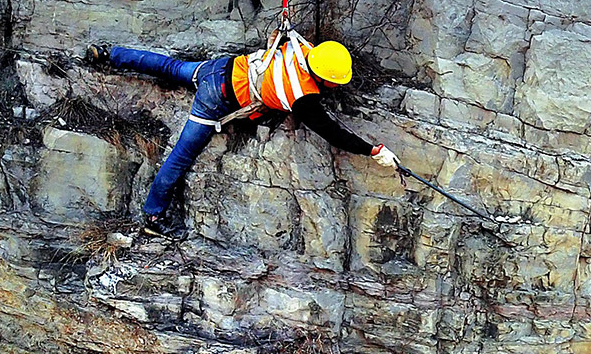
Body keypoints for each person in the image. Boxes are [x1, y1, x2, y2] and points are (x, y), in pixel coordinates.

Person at [86, 36, 400, 239]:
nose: (335, 87)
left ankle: (107, 53)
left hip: (223, 68)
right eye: (334, 82)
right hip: (218, 98)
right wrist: (372, 151)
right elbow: (332, 132)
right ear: (322, 77)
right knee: (181, 156)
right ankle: (153, 215)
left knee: (168, 66)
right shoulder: (301, 97)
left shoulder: (302, 49)